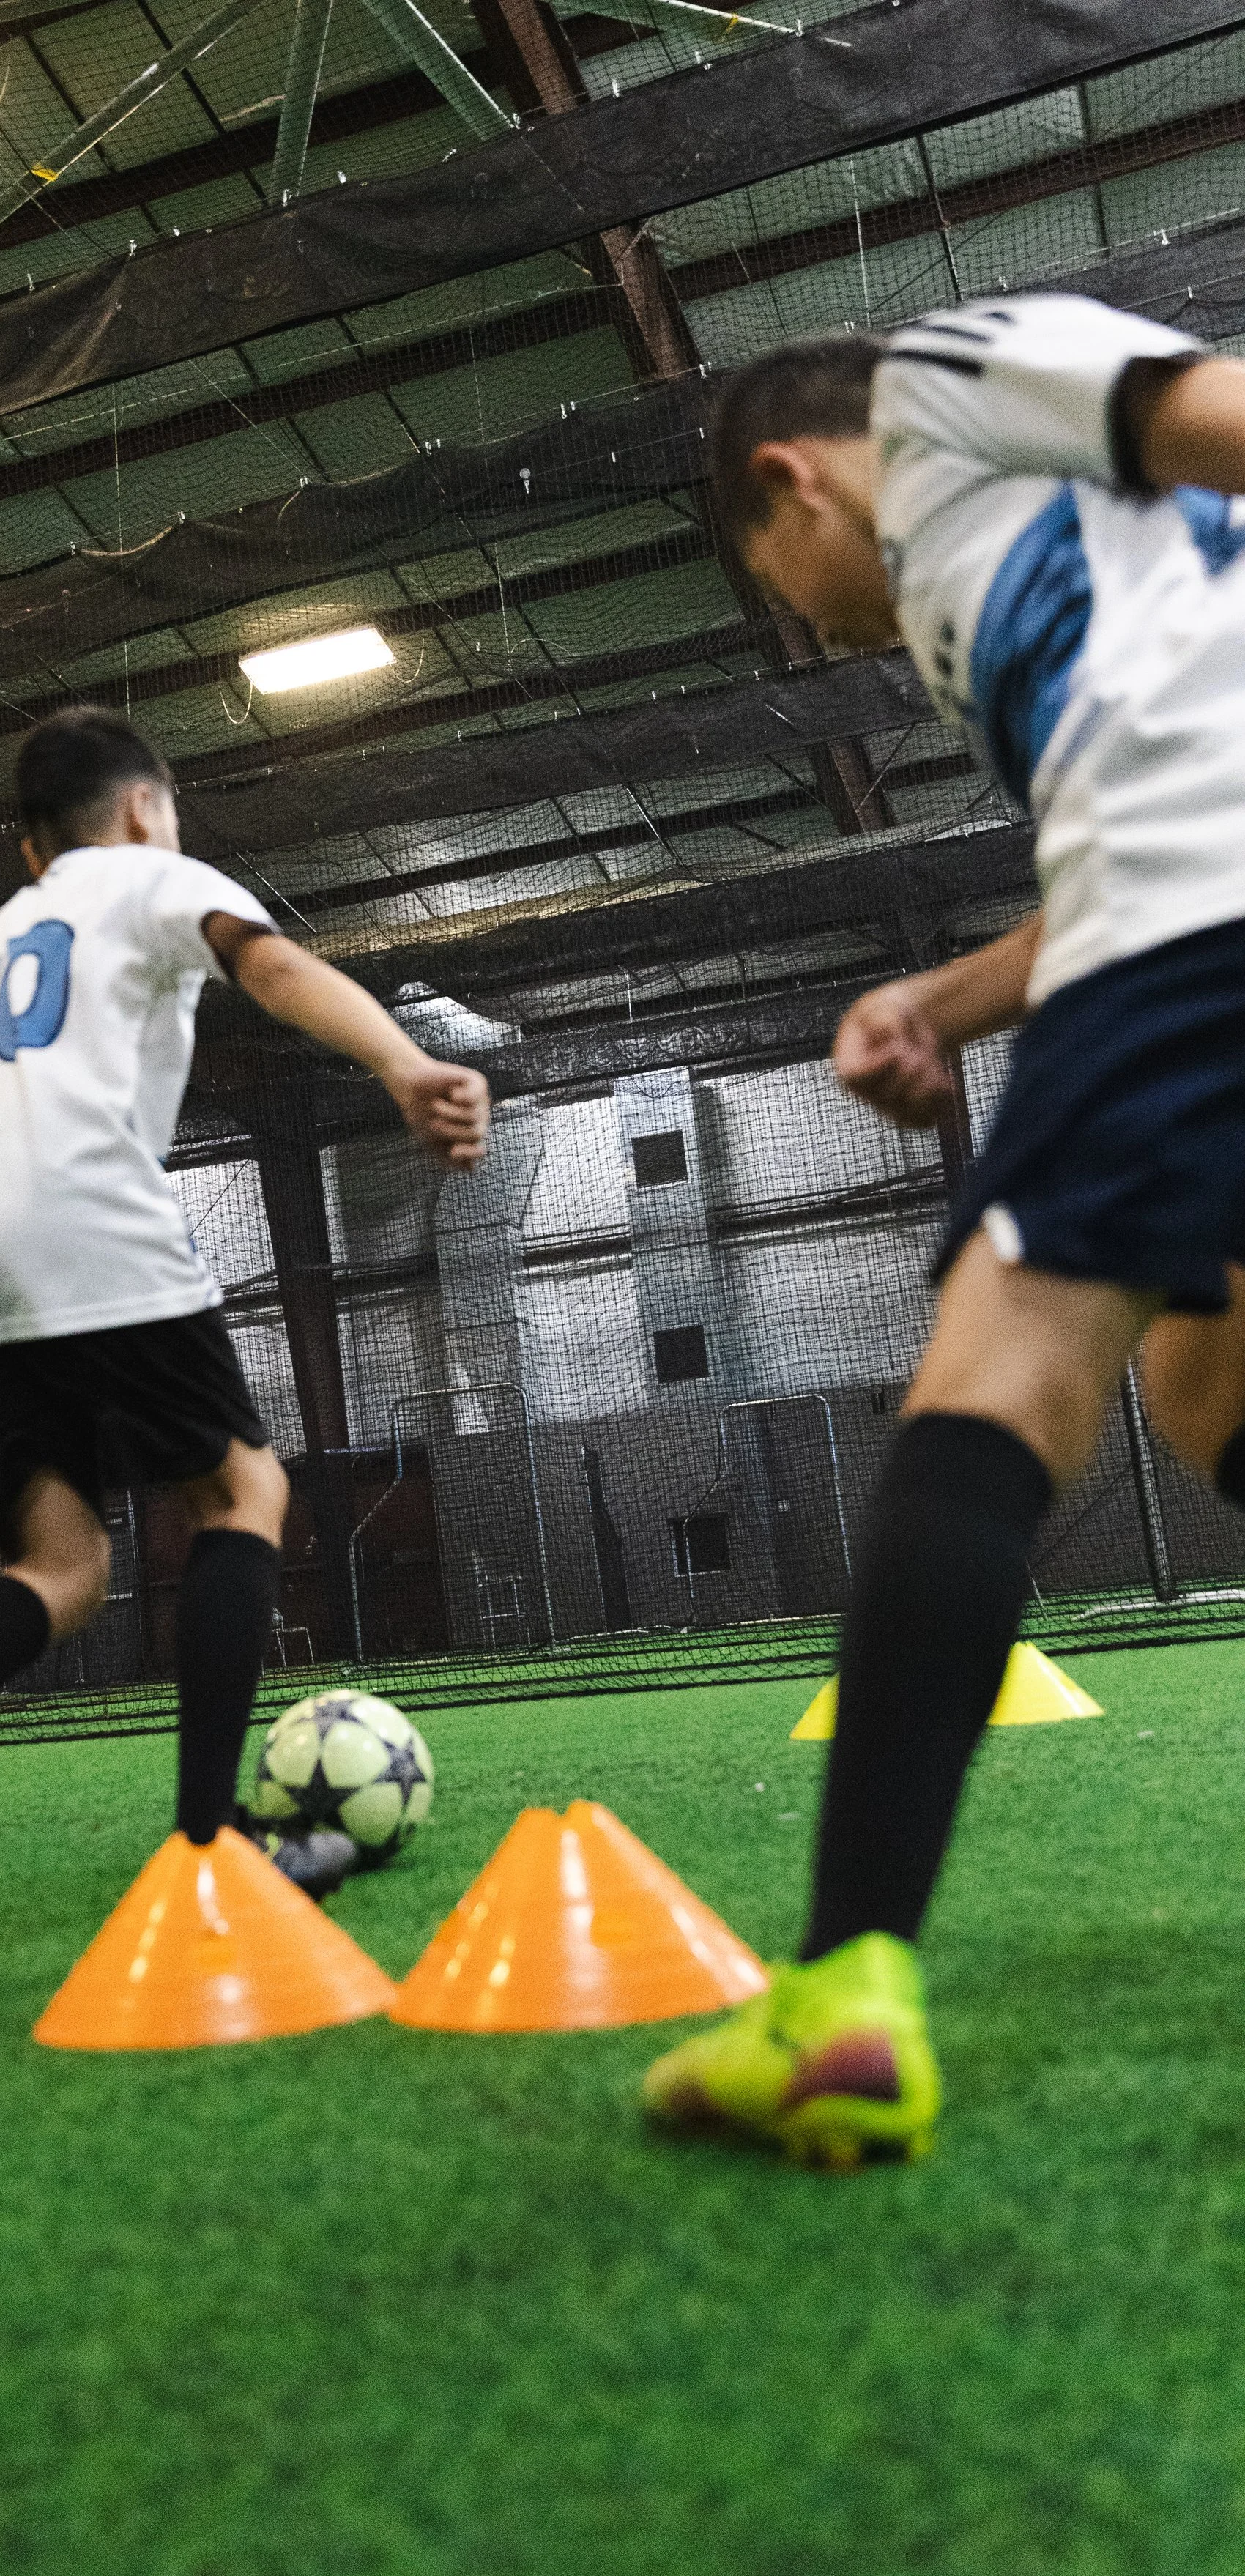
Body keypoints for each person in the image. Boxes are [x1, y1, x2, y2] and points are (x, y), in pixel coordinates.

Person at [643, 294, 1245, 2165]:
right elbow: (1131, 847)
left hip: (1199, 937)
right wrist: (940, 1008)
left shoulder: (940, 380)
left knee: (992, 1393)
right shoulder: (1108, 579)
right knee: (1209, 1392)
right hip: (1175, 925)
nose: (813, 623)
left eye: (779, 581)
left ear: (790, 477)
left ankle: (836, 1993)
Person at [0, 708, 490, 1984]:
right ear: (146, 808)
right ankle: (212, 1840)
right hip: (90, 1220)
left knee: (63, 1561)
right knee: (242, 1489)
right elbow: (272, 969)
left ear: (31, 851)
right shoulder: (156, 873)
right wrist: (403, 1061)